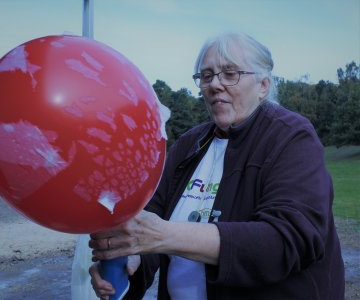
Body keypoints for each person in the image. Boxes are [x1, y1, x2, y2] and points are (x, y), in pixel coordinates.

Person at [88, 32, 345, 300]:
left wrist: (163, 235)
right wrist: (131, 257)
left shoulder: (290, 136)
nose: (214, 85)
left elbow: (286, 240)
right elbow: (152, 217)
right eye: (206, 75)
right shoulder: (189, 144)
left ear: (263, 85)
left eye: (230, 73)